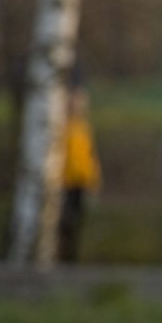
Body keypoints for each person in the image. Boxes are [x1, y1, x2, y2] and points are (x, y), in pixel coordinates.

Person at [56, 86, 101, 263]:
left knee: (76, 220)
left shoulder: (83, 126)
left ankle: (70, 257)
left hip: (81, 181)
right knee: (64, 220)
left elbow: (90, 155)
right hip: (65, 181)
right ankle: (60, 255)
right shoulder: (62, 127)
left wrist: (94, 180)